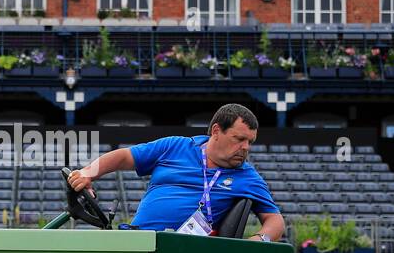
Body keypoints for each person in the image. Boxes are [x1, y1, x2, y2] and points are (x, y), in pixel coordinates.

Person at [67, 103, 284, 241]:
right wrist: (88, 172)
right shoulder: (175, 146)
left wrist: (256, 242)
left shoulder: (248, 177)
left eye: (250, 142)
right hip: (137, 241)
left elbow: (275, 221)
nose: (246, 147)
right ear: (216, 131)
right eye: (239, 139)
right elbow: (124, 156)